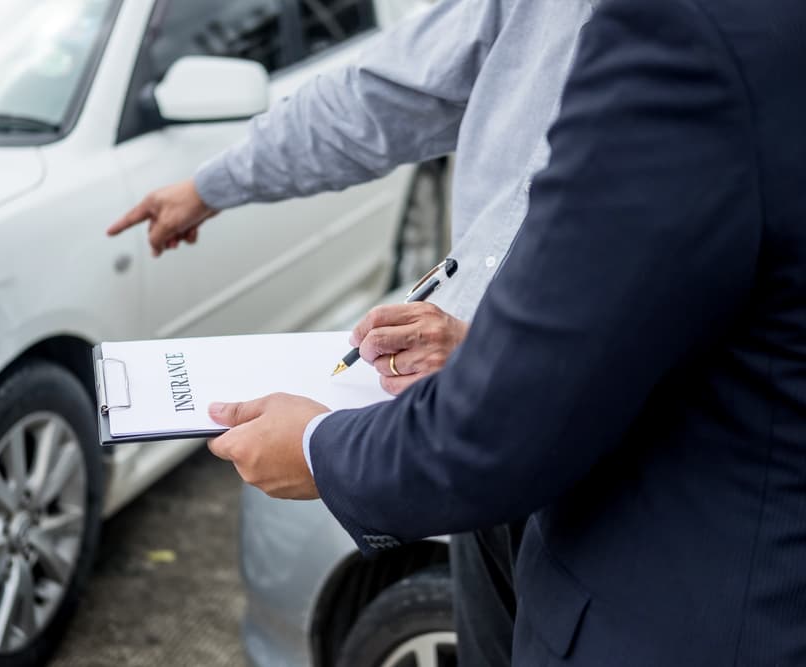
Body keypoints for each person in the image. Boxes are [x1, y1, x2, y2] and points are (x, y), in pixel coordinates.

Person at [205, 0, 806, 663]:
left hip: (677, 605)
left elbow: (498, 432)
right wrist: (479, 346)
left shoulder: (691, 31)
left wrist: (319, 448)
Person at [109, 1, 593, 663]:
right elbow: (380, 96)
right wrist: (212, 184)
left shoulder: (724, 50)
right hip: (489, 466)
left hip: (619, 482)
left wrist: (321, 449)